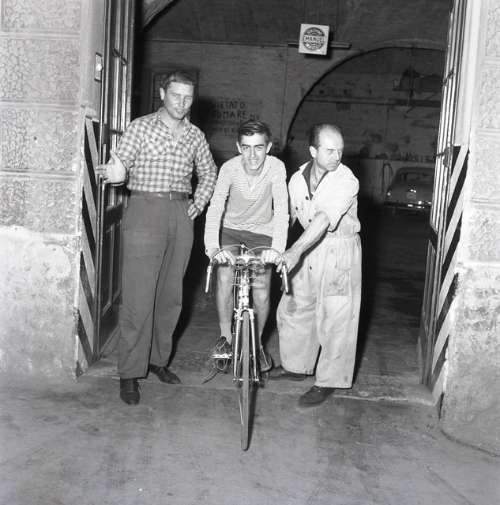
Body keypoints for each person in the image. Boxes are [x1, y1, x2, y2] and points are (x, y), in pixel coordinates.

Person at [97, 71, 217, 405]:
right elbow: (120, 165)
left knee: (170, 296)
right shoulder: (140, 127)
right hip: (145, 209)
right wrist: (116, 173)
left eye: (188, 97)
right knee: (139, 297)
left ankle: (157, 360)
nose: (182, 103)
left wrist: (198, 202)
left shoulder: (195, 135)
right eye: (176, 95)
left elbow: (209, 171)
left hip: (180, 213)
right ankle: (130, 372)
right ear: (163, 94)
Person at [270, 123, 362, 407]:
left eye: (340, 151)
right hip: (309, 246)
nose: (337, 156)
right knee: (294, 307)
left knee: (336, 317)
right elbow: (290, 217)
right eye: (330, 151)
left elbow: (323, 219)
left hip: (338, 249)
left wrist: (295, 251)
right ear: (313, 151)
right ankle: (296, 366)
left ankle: (329, 381)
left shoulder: (346, 180)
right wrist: (272, 245)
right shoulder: (297, 179)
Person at [204, 120, 289, 372]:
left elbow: (282, 210)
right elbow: (216, 206)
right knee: (225, 275)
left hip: (263, 231)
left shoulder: (276, 168)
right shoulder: (229, 169)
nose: (252, 155)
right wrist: (212, 247)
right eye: (246, 147)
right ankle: (225, 338)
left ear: (268, 147)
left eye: (259, 147)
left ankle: (257, 344)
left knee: (261, 289)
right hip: (231, 228)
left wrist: (277, 249)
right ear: (238, 147)